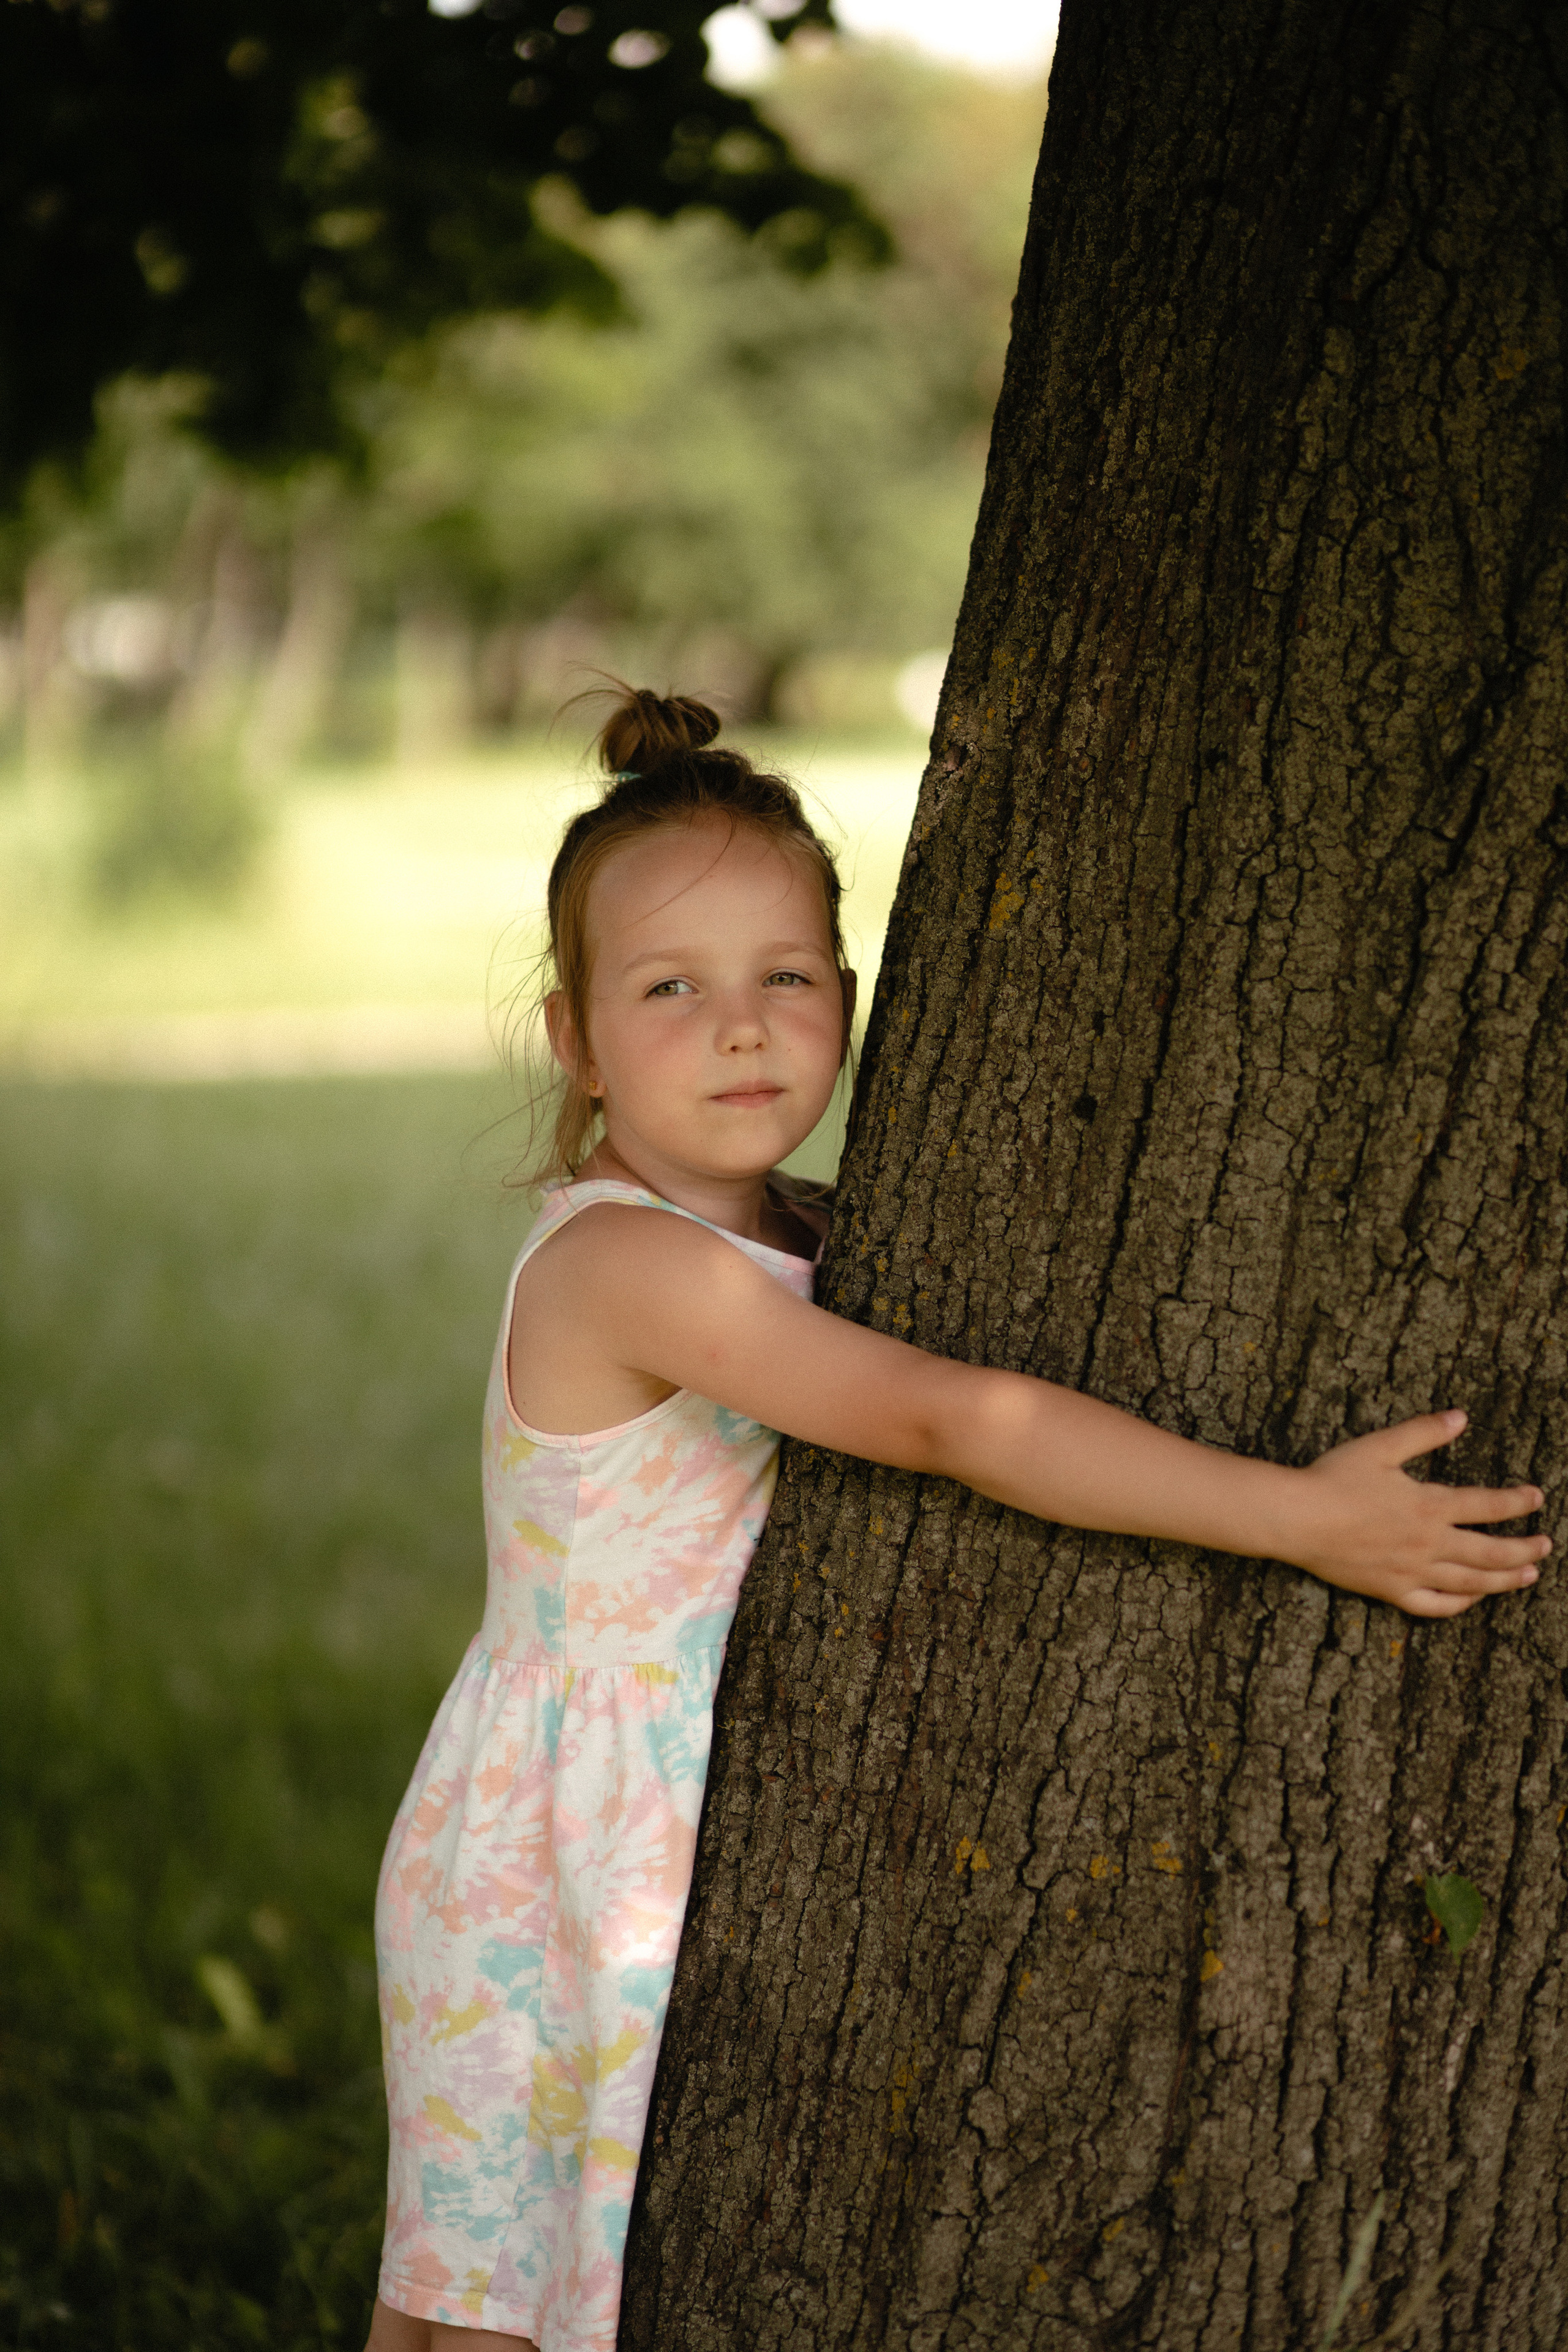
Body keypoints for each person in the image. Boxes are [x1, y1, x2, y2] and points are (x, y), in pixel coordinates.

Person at [364, 687, 1548, 2352]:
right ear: (574, 1039)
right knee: (483, 2314)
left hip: (622, 1820)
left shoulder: (797, 1238)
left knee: (515, 2294)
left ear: (848, 998)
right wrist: (1299, 1517)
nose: (743, 1027)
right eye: (670, 990)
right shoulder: (623, 1266)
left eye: (787, 978)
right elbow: (955, 1418)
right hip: (554, 1857)